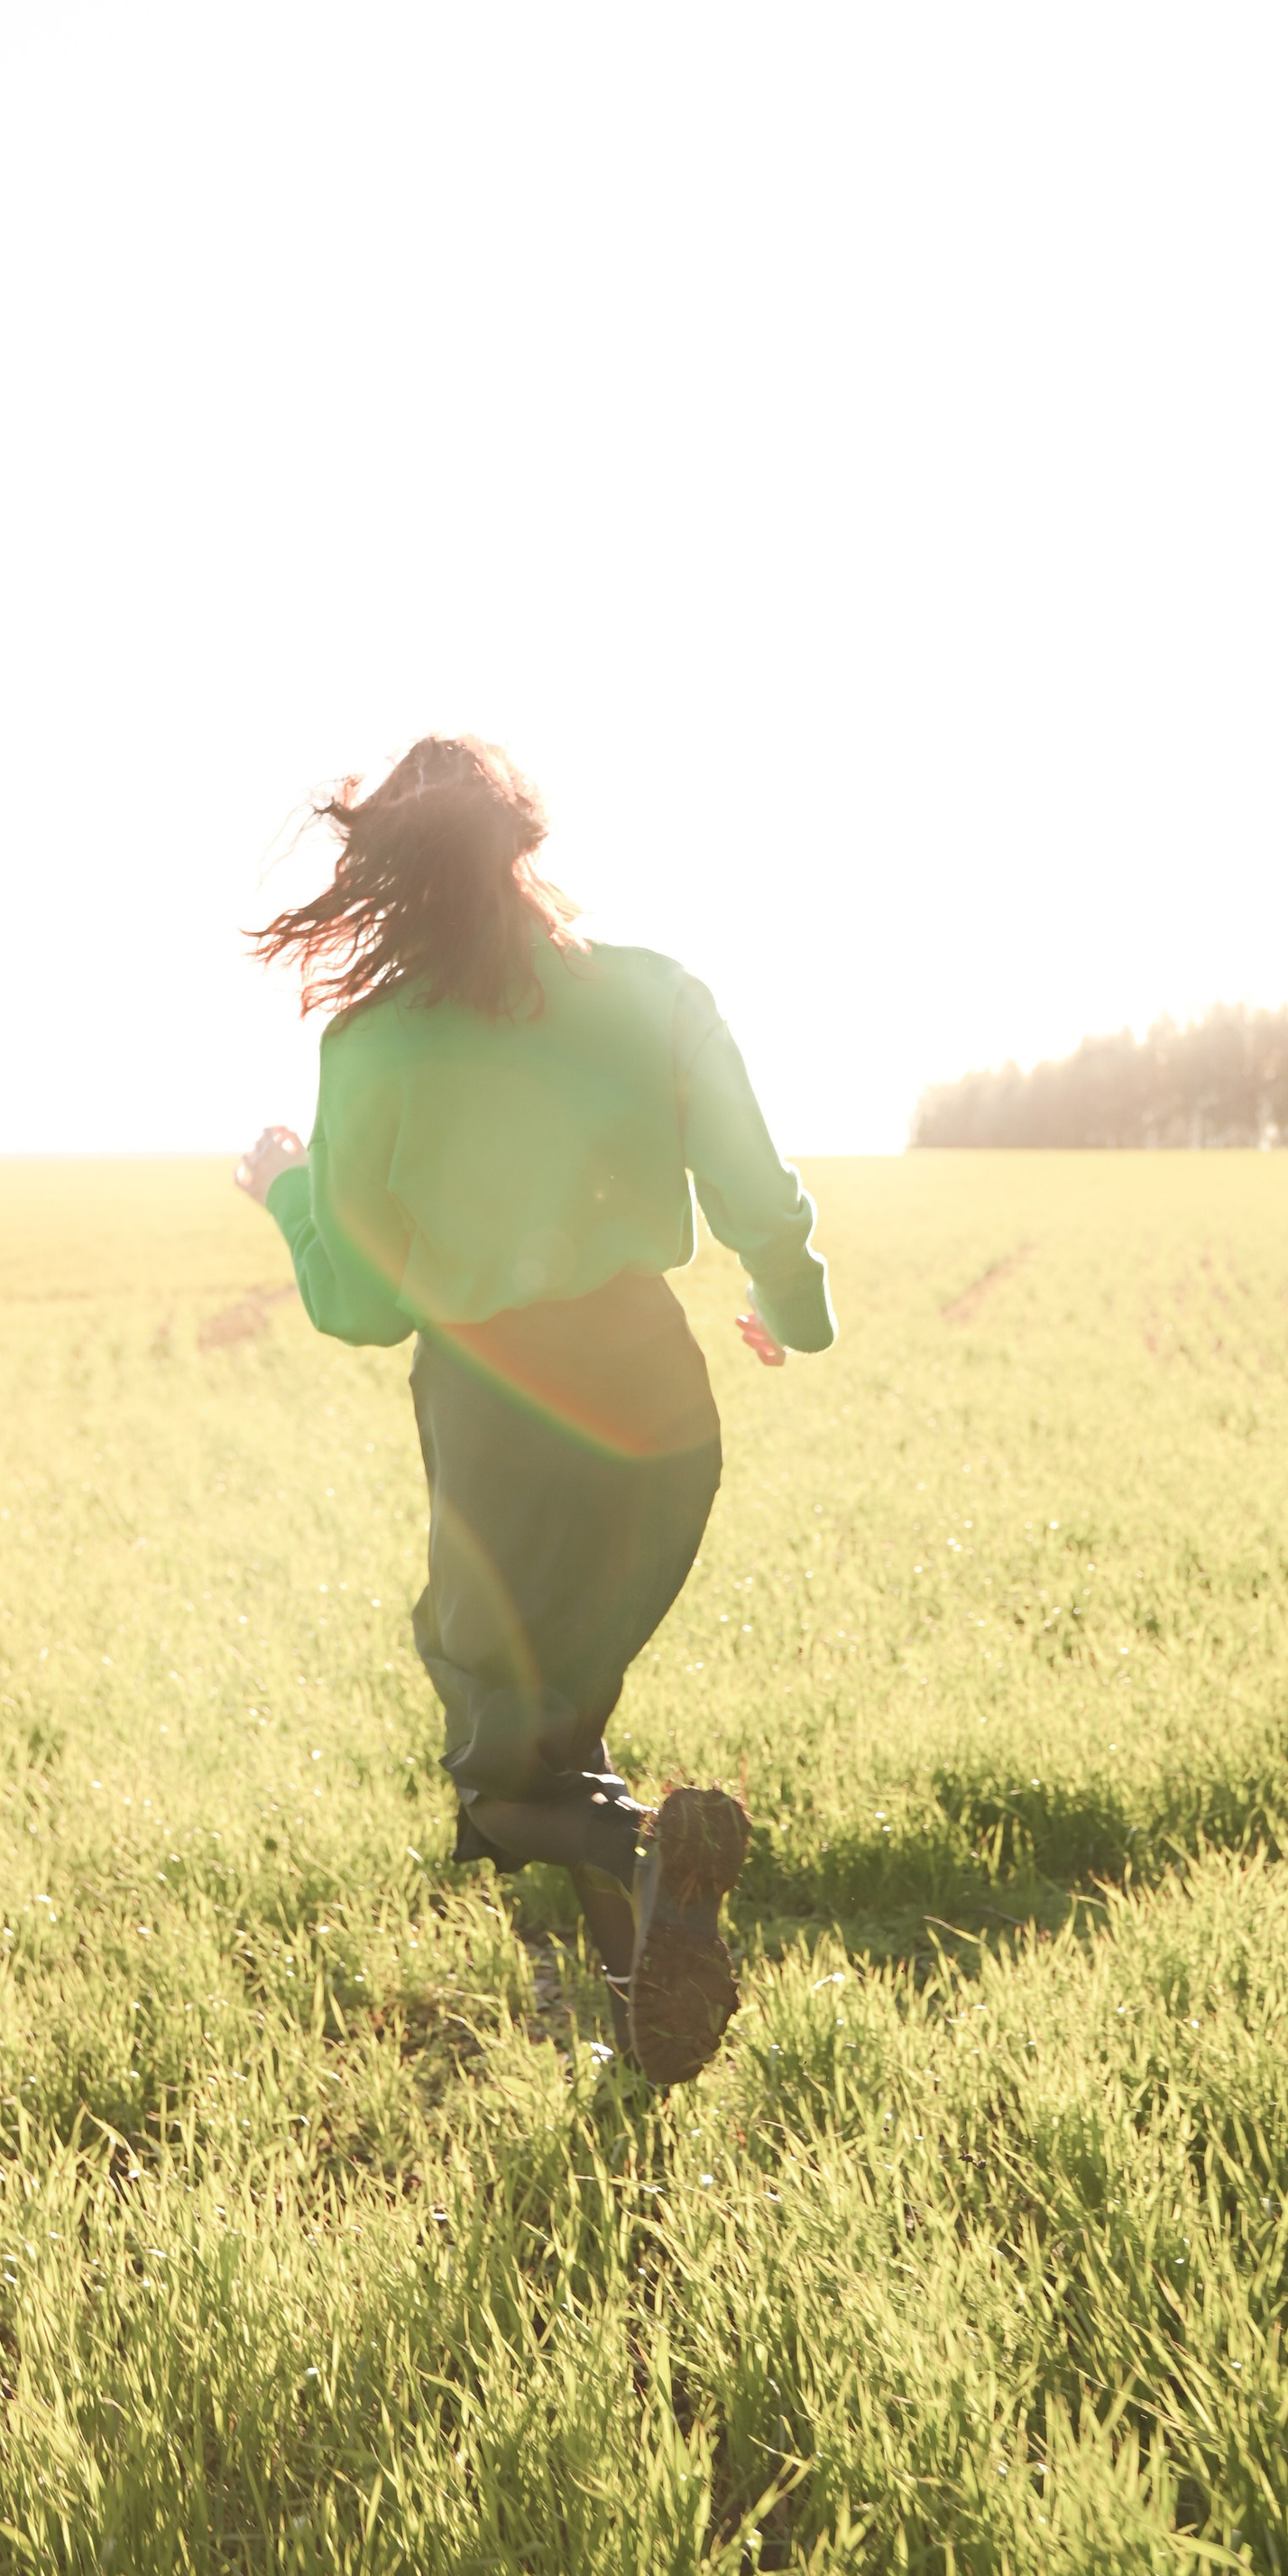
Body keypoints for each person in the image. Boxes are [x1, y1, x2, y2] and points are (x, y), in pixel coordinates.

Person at [235, 734, 835, 2084]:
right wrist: (794, 1313)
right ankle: (649, 2015)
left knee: (507, 1769)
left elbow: (360, 1304)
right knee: (566, 1724)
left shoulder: (374, 1045)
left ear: (384, 875)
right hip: (657, 1412)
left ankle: (651, 1864)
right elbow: (756, 1190)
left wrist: (280, 1188)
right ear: (528, 848)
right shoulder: (658, 995)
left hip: (501, 1417)